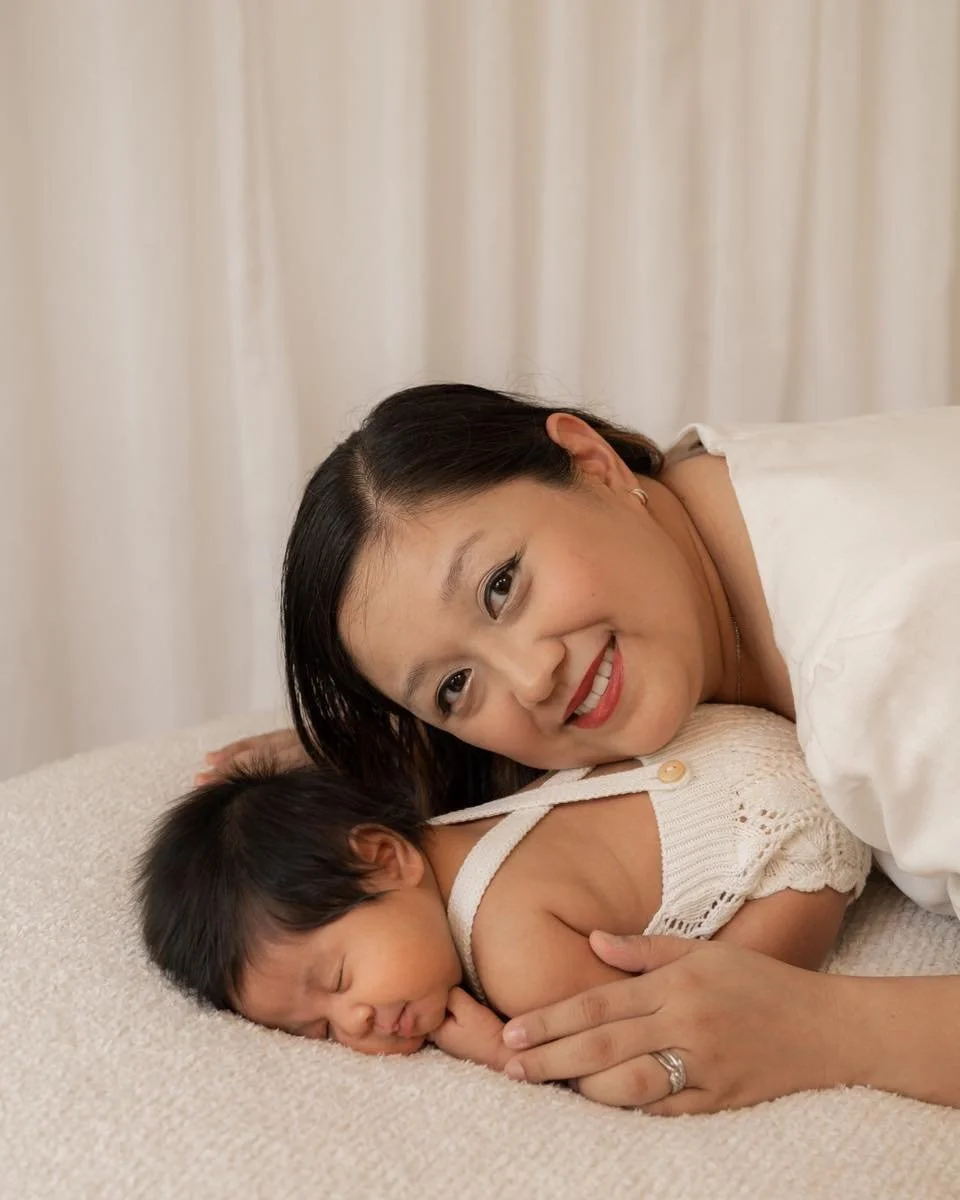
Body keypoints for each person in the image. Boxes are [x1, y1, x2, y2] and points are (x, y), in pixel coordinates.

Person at [202, 384, 960, 1113]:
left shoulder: (896, 668)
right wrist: (378, 764)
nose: (533, 680)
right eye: (455, 687)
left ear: (592, 462)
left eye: (502, 587)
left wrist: (822, 1026)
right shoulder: (707, 489)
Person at [143, 704, 869, 1084]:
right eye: (322, 1031)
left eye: (336, 979)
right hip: (712, 737)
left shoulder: (514, 955)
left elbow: (637, 1037)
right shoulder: (443, 830)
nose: (356, 1020)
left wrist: (504, 1052)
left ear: (386, 858)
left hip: (787, 830)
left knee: (739, 997)